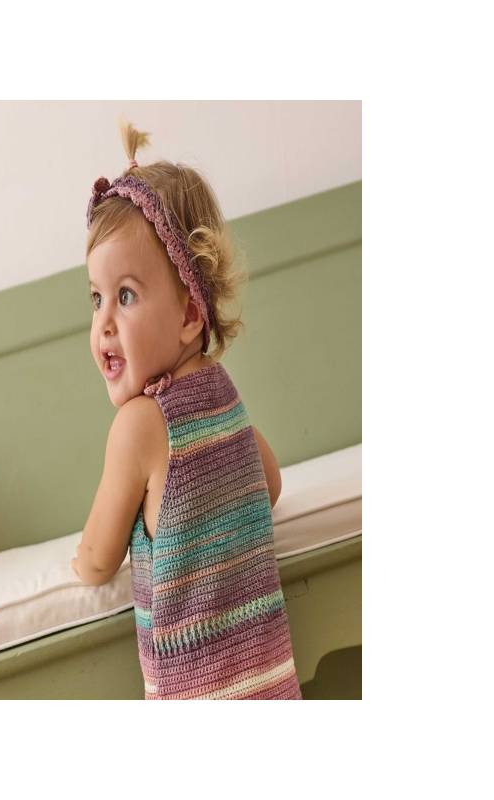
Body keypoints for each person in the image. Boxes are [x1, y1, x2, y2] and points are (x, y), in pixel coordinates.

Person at [71, 118, 302, 700]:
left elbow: (99, 558)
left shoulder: (140, 425)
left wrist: (81, 562)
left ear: (189, 314)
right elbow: (270, 484)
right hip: (271, 682)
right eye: (96, 298)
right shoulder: (223, 393)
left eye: (126, 295)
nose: (103, 323)